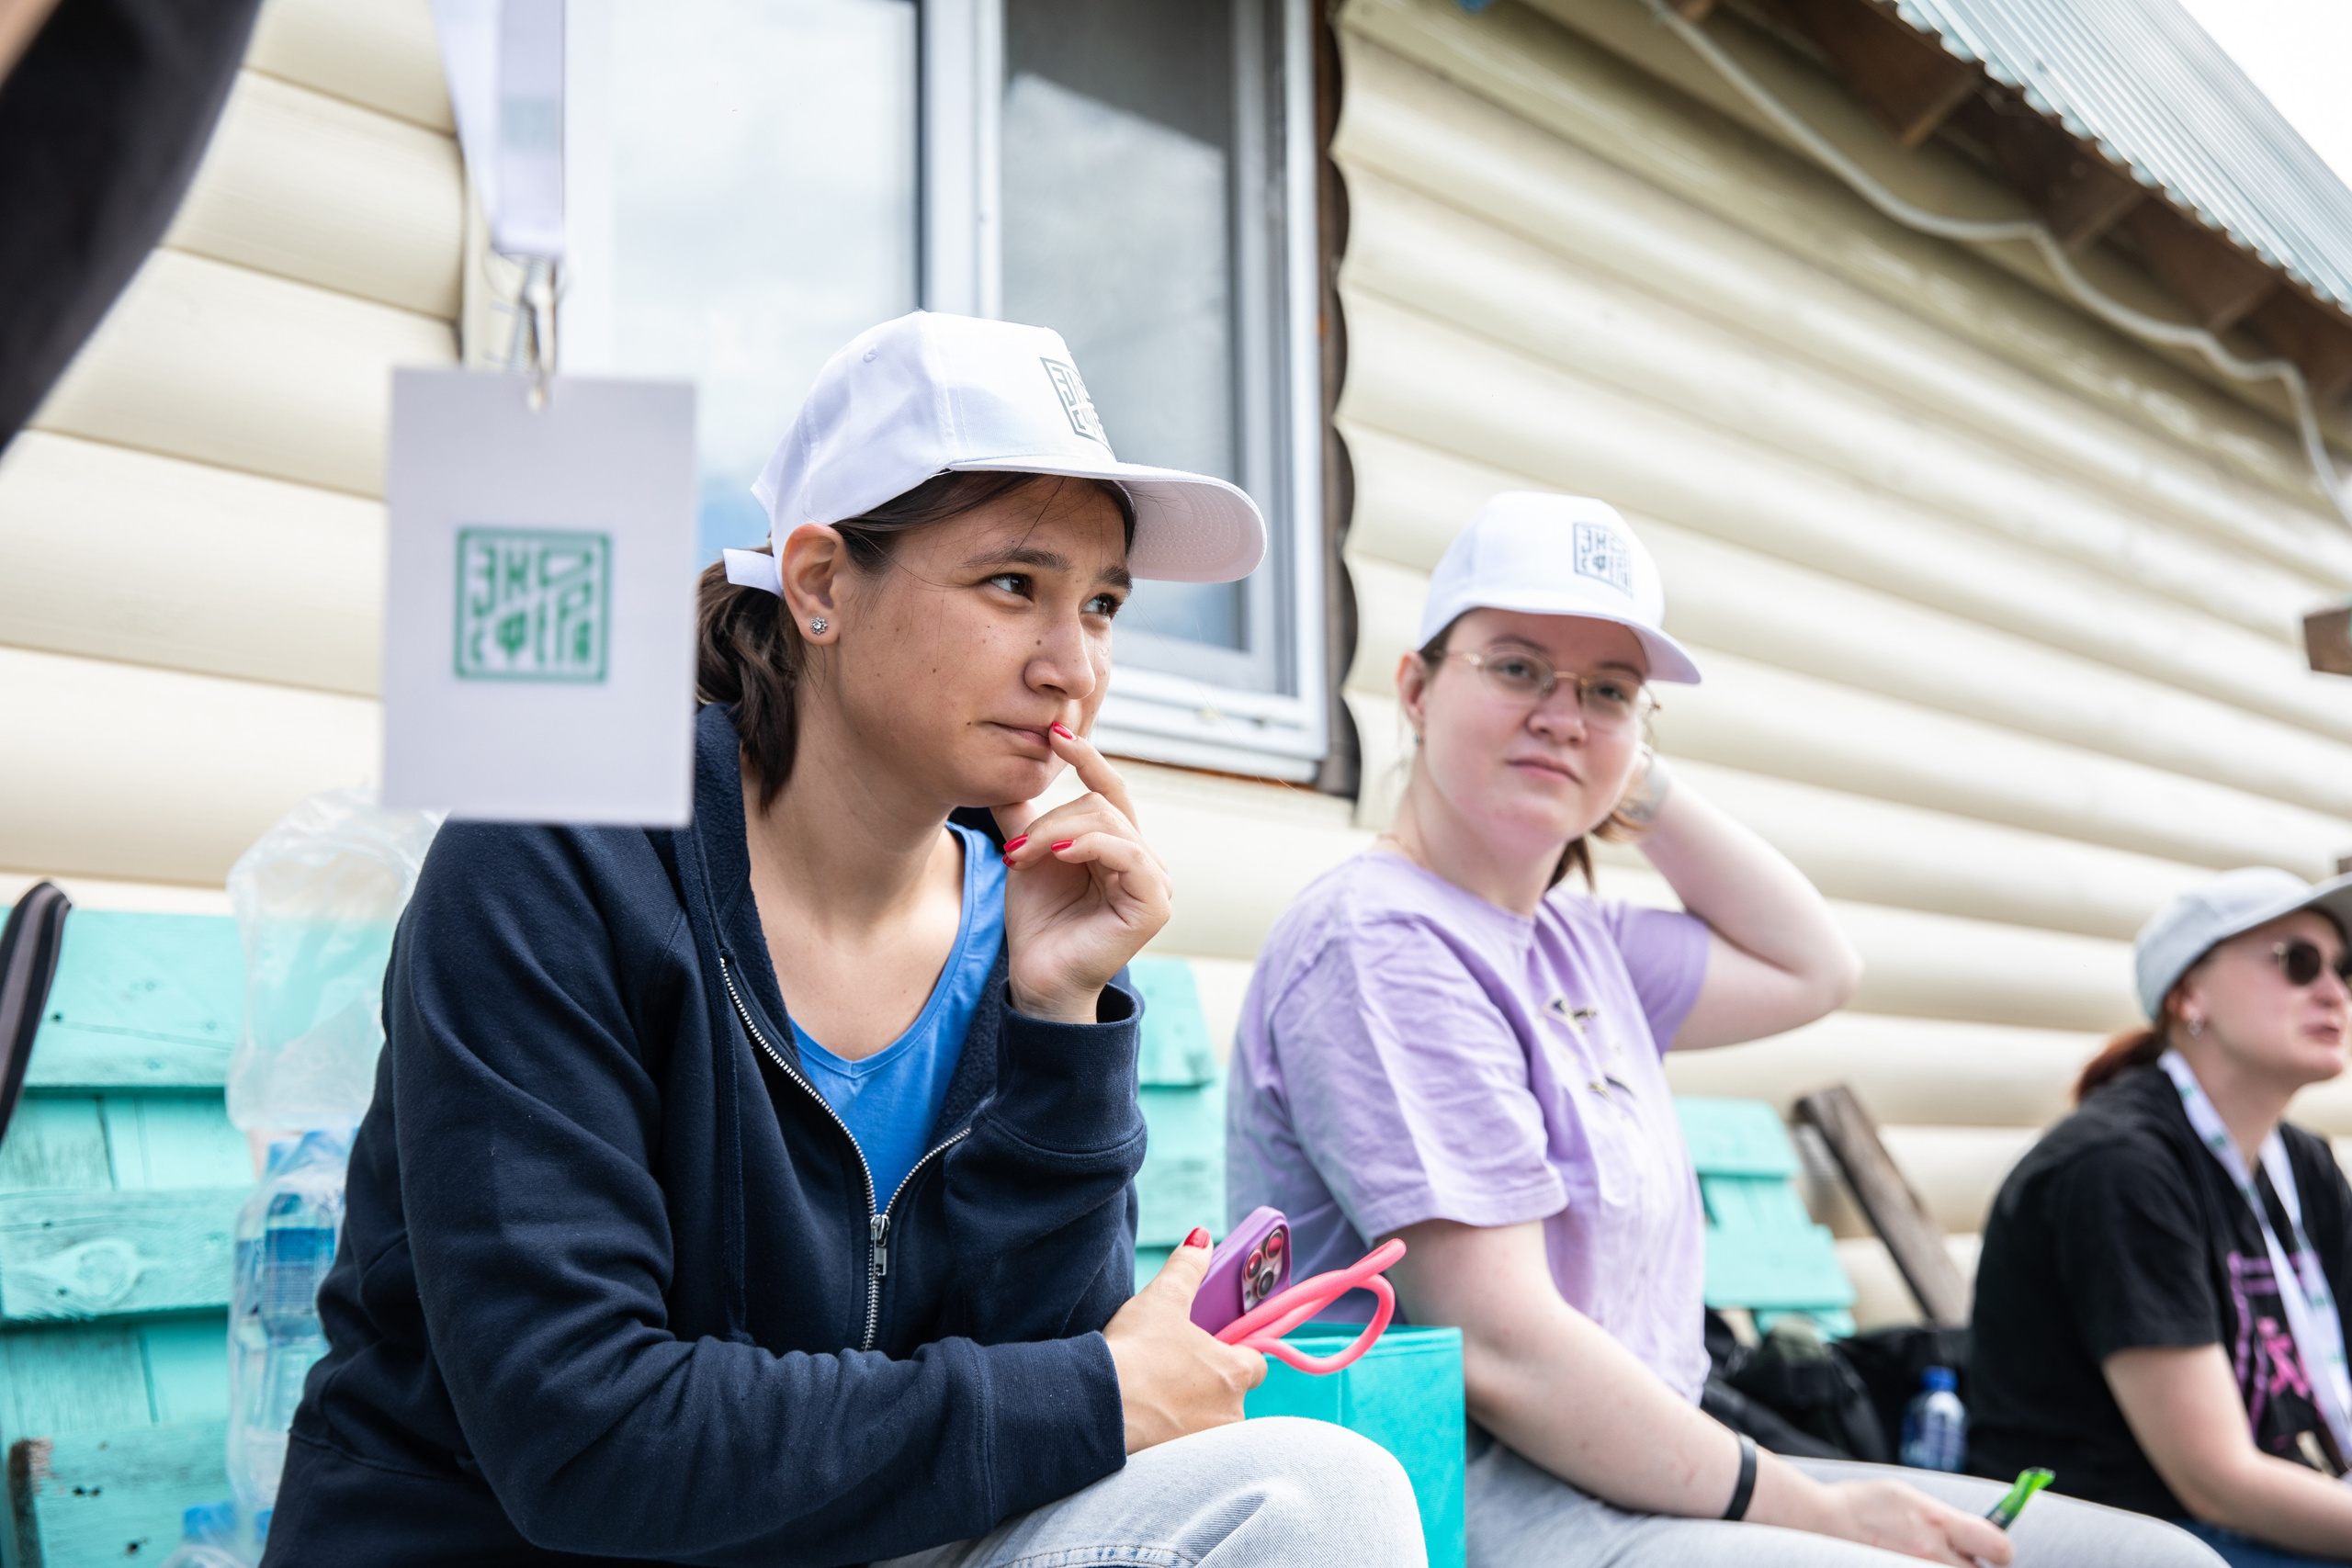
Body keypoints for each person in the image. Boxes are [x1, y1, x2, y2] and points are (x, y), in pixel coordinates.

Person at [262, 311, 1426, 1567]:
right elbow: (583, 1435)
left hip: (855, 1543)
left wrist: (1059, 1018)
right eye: (1012, 585)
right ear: (819, 584)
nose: (1071, 666)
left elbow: (1036, 1422)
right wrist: (1099, 1387)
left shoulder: (1028, 919)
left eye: (1101, 605)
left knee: (1315, 1493)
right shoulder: (557, 859)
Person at [1225, 491, 2223, 1568]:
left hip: (1650, 1465)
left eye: (1608, 688)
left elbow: (1812, 965)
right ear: (1414, 687)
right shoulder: (1382, 942)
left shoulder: (1577, 938)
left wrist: (1616, 767)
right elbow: (1505, 1352)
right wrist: (1824, 1514)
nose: (1560, 712)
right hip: (1469, 1491)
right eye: (1515, 668)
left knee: (2155, 1561)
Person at [1972, 867, 2352, 1568]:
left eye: (2345, 968)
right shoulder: (2120, 1165)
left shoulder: (2302, 1163)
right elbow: (2215, 1481)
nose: (2333, 990)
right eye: (2297, 962)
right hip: (2125, 1537)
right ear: (2188, 994)